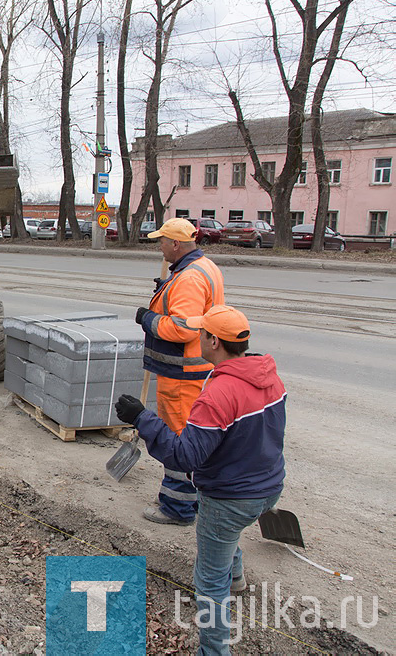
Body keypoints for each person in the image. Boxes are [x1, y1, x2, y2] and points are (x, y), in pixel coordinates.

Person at [115, 305, 285, 655]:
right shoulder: (269, 376)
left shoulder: (220, 394)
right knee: (227, 533)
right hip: (269, 487)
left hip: (231, 498)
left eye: (201, 334)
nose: (197, 339)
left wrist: (142, 419)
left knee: (209, 582)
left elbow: (184, 456)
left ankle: (213, 650)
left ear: (213, 341)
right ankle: (235, 577)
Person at [136, 217, 225, 526]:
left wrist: (148, 319)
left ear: (175, 244)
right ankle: (195, 499)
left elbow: (184, 328)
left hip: (181, 375)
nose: (159, 246)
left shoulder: (188, 278)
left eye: (162, 241)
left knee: (177, 441)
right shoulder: (203, 267)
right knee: (194, 438)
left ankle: (177, 507)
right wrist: (166, 293)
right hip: (195, 370)